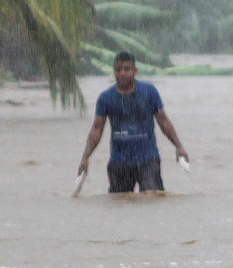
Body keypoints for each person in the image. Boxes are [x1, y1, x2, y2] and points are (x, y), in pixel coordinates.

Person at [78, 52, 190, 193]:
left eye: (126, 69)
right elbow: (97, 129)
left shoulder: (149, 92)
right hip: (119, 162)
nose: (122, 73)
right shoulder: (106, 98)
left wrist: (179, 146)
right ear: (114, 72)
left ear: (135, 71)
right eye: (118, 70)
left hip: (148, 159)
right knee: (119, 203)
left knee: (153, 198)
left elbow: (163, 121)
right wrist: (85, 157)